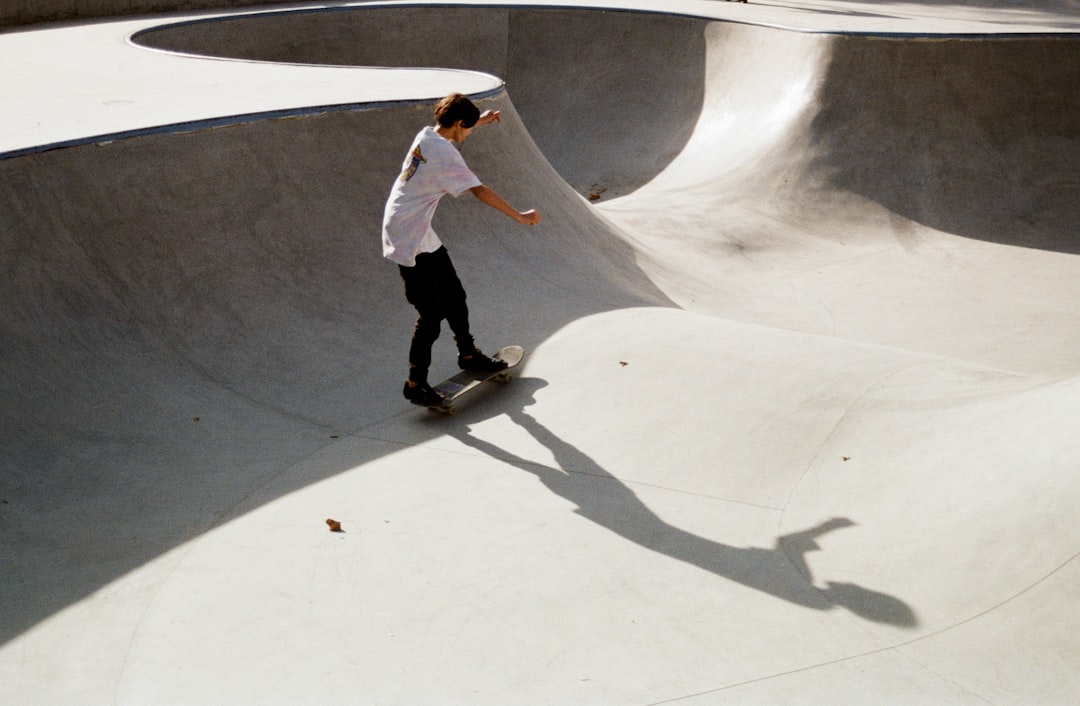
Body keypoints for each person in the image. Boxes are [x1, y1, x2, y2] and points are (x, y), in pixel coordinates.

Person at [382, 93, 541, 406]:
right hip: (406, 236)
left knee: (454, 296)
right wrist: (520, 216)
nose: (467, 134)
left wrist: (479, 120)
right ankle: (415, 383)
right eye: (466, 129)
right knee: (431, 315)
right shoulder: (444, 155)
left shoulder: (428, 135)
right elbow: (479, 191)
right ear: (456, 124)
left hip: (417, 228)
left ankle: (468, 354)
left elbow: (452, 131)